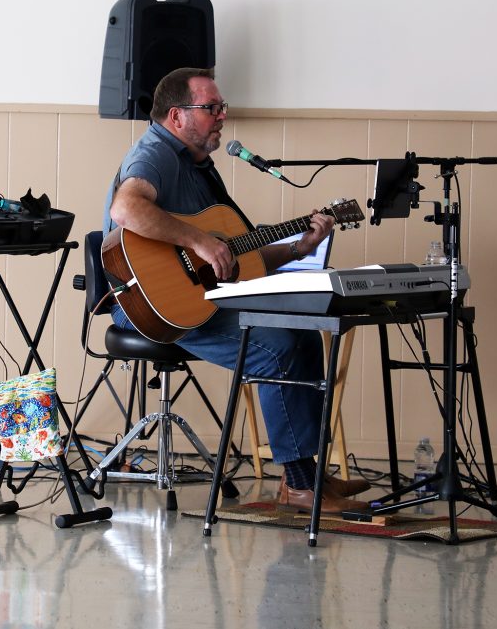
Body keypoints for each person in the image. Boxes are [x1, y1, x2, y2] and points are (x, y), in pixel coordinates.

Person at [102, 67, 369, 513]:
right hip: (151, 306)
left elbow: (238, 258)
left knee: (299, 328)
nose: (222, 116)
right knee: (279, 345)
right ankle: (302, 487)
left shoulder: (199, 167)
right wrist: (199, 241)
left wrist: (299, 247)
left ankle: (302, 476)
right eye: (211, 108)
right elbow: (126, 209)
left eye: (221, 107)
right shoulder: (155, 153)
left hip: (201, 297)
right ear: (176, 116)